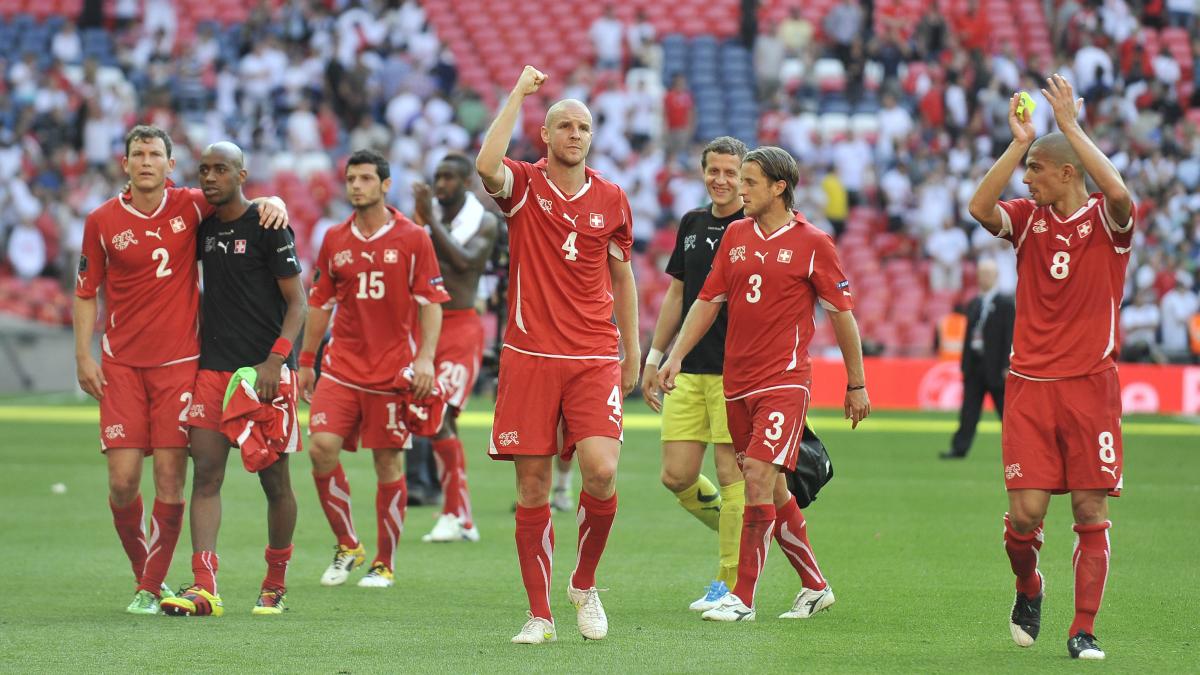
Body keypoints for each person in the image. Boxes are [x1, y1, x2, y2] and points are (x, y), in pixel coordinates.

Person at [73, 125, 286, 615]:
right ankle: (144, 573)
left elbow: (239, 195)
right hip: (121, 365)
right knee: (123, 482)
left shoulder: (192, 203)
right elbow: (86, 290)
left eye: (155, 154)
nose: (146, 161)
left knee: (171, 479)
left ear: (170, 166)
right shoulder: (101, 220)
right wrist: (83, 355)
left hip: (179, 366)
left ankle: (150, 588)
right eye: (137, 153)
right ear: (124, 163)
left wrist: (276, 200)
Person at [659, 146, 871, 623]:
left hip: (785, 382)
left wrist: (856, 384)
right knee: (774, 491)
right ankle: (815, 586)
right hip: (737, 383)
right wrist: (675, 356)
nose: (741, 188)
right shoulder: (734, 235)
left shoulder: (814, 242)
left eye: (750, 181)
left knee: (755, 475)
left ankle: (742, 597)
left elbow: (842, 315)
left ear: (779, 187)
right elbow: (707, 301)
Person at [966, 75, 1135, 661]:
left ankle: (1082, 628)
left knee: (1090, 510)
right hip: (1030, 388)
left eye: (1035, 168)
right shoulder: (1027, 221)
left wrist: (1070, 129)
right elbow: (978, 206)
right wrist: (1019, 143)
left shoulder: (1107, 225)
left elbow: (1118, 194)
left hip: (1092, 387)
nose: (1027, 177)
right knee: (1025, 515)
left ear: (1066, 172)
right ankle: (1028, 585)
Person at [476, 66, 640, 644]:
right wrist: (518, 93)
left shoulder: (613, 198)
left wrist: (634, 349)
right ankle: (540, 615)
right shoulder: (522, 186)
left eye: (584, 127)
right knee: (532, 490)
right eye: (565, 125)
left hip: (595, 354)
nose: (576, 134)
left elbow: (624, 278)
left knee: (600, 470)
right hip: (529, 355)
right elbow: (485, 166)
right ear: (545, 134)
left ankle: (584, 583)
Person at [159, 143, 306, 617]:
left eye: (221, 169)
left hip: (263, 374)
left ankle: (275, 583)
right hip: (212, 371)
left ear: (242, 174)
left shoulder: (268, 226)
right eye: (203, 170)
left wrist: (276, 361)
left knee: (275, 481)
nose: (210, 177)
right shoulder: (200, 229)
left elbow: (298, 302)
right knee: (205, 474)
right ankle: (205, 586)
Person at [300, 149, 448, 590]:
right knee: (321, 447)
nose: (357, 186)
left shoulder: (413, 238)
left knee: (388, 463)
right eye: (351, 179)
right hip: (342, 366)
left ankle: (384, 562)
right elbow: (319, 303)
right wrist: (306, 361)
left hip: (391, 373)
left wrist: (425, 358)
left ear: (386, 185)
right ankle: (348, 544)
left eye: (366, 178)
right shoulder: (333, 239)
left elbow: (431, 303)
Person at [640, 136, 748, 612]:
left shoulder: (756, 226)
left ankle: (729, 579)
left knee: (730, 473)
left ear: (746, 178)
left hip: (735, 371)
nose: (721, 180)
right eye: (714, 171)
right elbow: (678, 296)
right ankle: (745, 534)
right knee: (676, 475)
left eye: (731, 173)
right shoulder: (692, 223)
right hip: (686, 368)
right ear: (703, 172)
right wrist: (654, 355)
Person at [411, 152, 499, 543]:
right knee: (434, 418)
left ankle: (455, 514)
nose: (441, 183)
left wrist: (426, 221)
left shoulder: (485, 222)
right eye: (437, 176)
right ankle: (459, 515)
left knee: (439, 414)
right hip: (426, 327)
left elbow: (464, 263)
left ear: (467, 183)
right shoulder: (425, 220)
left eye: (448, 177)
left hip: (462, 327)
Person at [940, 258, 1015, 459]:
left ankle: (1018, 448)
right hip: (975, 364)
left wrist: (1007, 364)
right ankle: (959, 448)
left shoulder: (1005, 304)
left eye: (988, 274)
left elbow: (1010, 335)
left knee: (1007, 412)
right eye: (982, 274)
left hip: (995, 365)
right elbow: (967, 337)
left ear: (996, 276)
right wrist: (965, 365)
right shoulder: (974, 303)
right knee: (969, 410)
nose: (984, 278)